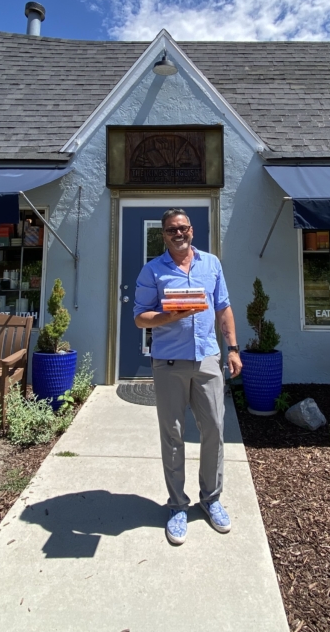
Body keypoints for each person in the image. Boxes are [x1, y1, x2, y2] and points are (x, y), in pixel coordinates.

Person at [133, 208, 242, 545]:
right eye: (170, 230)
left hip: (208, 358)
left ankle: (210, 499)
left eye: (182, 228)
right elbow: (140, 318)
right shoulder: (153, 270)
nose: (177, 233)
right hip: (168, 363)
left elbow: (223, 306)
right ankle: (178, 505)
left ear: (192, 230)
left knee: (214, 430)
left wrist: (233, 348)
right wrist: (168, 315)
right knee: (173, 435)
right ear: (163, 235)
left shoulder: (212, 264)